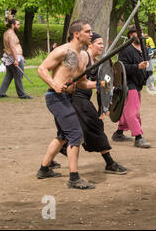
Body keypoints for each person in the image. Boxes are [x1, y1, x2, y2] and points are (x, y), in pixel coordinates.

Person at [52, 32, 128, 174]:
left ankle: (47, 162)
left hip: (83, 98)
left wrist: (106, 93)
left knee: (65, 134)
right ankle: (109, 163)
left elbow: (101, 82)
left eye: (102, 43)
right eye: (99, 43)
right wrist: (101, 84)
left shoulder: (95, 60)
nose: (102, 46)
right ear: (90, 44)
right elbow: (81, 82)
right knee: (95, 126)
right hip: (77, 98)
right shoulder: (83, 57)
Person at [36, 19, 96, 189]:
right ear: (77, 34)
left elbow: (83, 84)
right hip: (55, 98)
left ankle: (44, 169)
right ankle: (74, 178)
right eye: (88, 31)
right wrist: (54, 84)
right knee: (75, 134)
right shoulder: (63, 50)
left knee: (63, 135)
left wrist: (100, 85)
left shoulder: (82, 56)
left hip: (68, 98)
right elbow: (41, 69)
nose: (91, 34)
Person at [111, 26, 152, 148]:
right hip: (128, 83)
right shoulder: (126, 50)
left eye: (141, 32)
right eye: (136, 33)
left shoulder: (143, 48)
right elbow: (120, 68)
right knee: (132, 111)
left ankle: (119, 133)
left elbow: (148, 65)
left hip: (138, 82)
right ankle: (138, 137)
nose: (139, 35)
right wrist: (137, 67)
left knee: (129, 108)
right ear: (130, 35)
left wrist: (150, 78)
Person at [0, 18, 32, 99]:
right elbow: (12, 47)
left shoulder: (6, 33)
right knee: (18, 76)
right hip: (14, 57)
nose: (19, 26)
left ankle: (2, 93)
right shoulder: (11, 34)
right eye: (18, 24)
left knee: (9, 75)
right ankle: (22, 94)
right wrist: (16, 59)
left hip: (10, 56)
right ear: (13, 25)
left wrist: (21, 55)